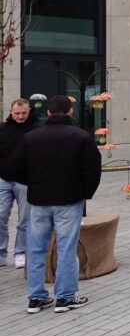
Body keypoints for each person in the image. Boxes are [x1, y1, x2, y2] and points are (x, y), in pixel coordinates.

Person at [3, 96, 99, 313]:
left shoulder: (32, 137)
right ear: (69, 111)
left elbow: (13, 169)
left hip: (39, 200)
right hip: (69, 200)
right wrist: (84, 193)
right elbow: (92, 169)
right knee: (66, 248)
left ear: (48, 113)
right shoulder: (81, 136)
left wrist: (34, 183)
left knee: (36, 249)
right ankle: (64, 297)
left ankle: (36, 298)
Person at [0, 99, 41, 269]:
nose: (20, 116)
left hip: (25, 180)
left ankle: (20, 253)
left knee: (24, 219)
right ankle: (1, 253)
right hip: (4, 179)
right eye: (17, 113)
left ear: (29, 110)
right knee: (0, 215)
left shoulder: (37, 129)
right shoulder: (2, 129)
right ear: (11, 111)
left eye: (24, 113)